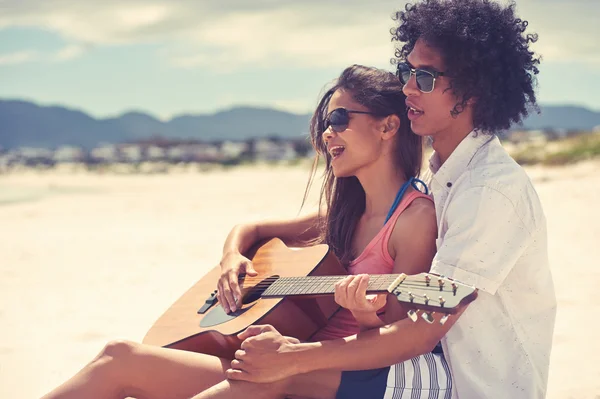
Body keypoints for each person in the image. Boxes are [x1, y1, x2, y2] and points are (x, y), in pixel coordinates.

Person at [217, 1, 556, 398]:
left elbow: (421, 326)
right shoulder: (443, 178)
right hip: (427, 367)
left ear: (473, 89)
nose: (408, 87)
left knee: (274, 379)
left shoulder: (488, 192)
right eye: (407, 72)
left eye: (425, 77)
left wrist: (296, 357)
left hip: (476, 387)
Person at [41, 64, 444, 399]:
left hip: (331, 376)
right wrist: (232, 259)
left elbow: (393, 342)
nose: (326, 133)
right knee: (118, 356)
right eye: (325, 123)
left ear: (389, 127)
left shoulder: (413, 220)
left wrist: (351, 319)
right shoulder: (345, 213)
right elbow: (249, 229)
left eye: (338, 119)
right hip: (284, 361)